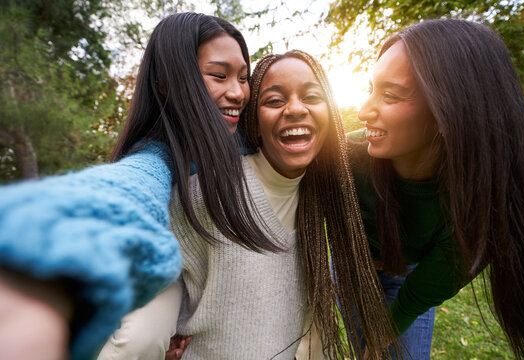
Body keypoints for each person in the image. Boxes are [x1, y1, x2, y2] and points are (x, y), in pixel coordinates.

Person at [0, 12, 275, 360]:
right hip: (162, 265)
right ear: (167, 82)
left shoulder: (247, 137)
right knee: (140, 338)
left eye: (243, 77)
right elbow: (128, 188)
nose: (237, 92)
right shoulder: (155, 157)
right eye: (218, 75)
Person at [164, 49, 399, 360]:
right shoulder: (209, 192)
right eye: (274, 101)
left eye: (312, 97)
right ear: (254, 124)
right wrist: (161, 329)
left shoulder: (324, 189)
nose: (295, 109)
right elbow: (152, 267)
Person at [347, 19, 524, 359]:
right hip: (352, 267)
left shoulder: (481, 201)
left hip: (411, 279)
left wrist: (380, 340)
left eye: (390, 95)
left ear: (447, 110)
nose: (363, 112)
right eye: (370, 89)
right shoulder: (345, 157)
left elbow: (420, 292)